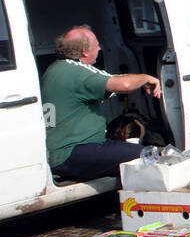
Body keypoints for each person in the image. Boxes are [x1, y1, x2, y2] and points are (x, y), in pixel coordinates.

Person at [41, 27, 162, 181]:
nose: (99, 48)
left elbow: (111, 80)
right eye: (97, 44)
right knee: (150, 156)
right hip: (74, 152)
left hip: (61, 153)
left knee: (124, 151)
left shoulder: (57, 68)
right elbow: (123, 84)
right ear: (85, 51)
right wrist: (145, 77)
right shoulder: (77, 71)